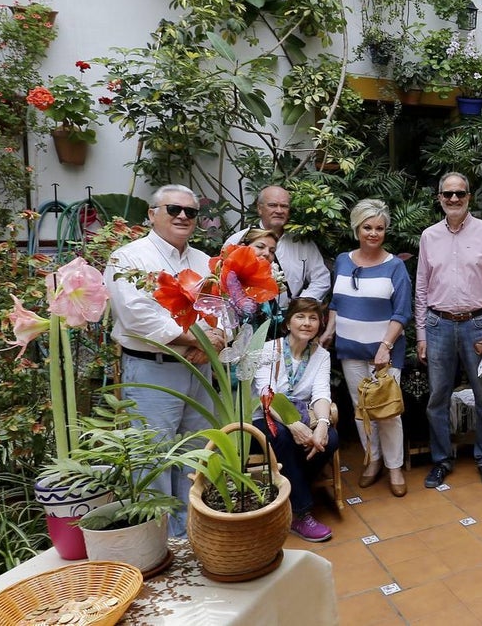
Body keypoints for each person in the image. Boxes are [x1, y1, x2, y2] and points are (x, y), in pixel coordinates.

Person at [104, 184, 226, 538]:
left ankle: (191, 532)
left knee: (195, 451)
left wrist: (212, 343)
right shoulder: (128, 258)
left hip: (199, 368)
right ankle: (159, 540)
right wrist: (196, 338)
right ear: (152, 214)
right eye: (174, 209)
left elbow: (222, 311)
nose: (184, 216)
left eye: (191, 212)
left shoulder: (204, 261)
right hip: (153, 369)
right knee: (154, 456)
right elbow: (137, 316)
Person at [415, 172, 482, 489]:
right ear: (439, 197)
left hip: (478, 325)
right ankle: (441, 460)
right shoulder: (429, 236)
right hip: (438, 325)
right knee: (437, 398)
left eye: (460, 193)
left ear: (469, 196)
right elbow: (421, 290)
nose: (453, 199)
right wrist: (422, 335)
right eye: (447, 194)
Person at [321, 199, 412, 497]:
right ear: (356, 228)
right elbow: (336, 303)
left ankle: (395, 466)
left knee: (387, 412)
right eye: (367, 227)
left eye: (379, 228)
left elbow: (402, 313)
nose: (373, 233)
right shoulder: (344, 260)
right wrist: (329, 332)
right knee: (362, 411)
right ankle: (373, 460)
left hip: (384, 354)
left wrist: (385, 346)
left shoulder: (395, 266)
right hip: (350, 350)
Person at [252, 297, 339, 543]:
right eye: (300, 317)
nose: (307, 323)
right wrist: (292, 424)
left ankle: (287, 492)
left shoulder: (320, 355)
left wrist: (322, 424)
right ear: (288, 322)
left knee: (330, 439)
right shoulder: (269, 350)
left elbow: (321, 394)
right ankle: (300, 512)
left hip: (303, 416)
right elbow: (265, 394)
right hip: (265, 419)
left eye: (313, 318)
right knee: (284, 437)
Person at [224, 185, 331, 308]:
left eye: (284, 206)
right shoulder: (239, 240)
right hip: (247, 319)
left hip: (288, 320)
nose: (279, 211)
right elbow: (222, 279)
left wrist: (300, 305)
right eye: (273, 205)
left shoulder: (302, 242)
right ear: (259, 209)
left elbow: (321, 279)